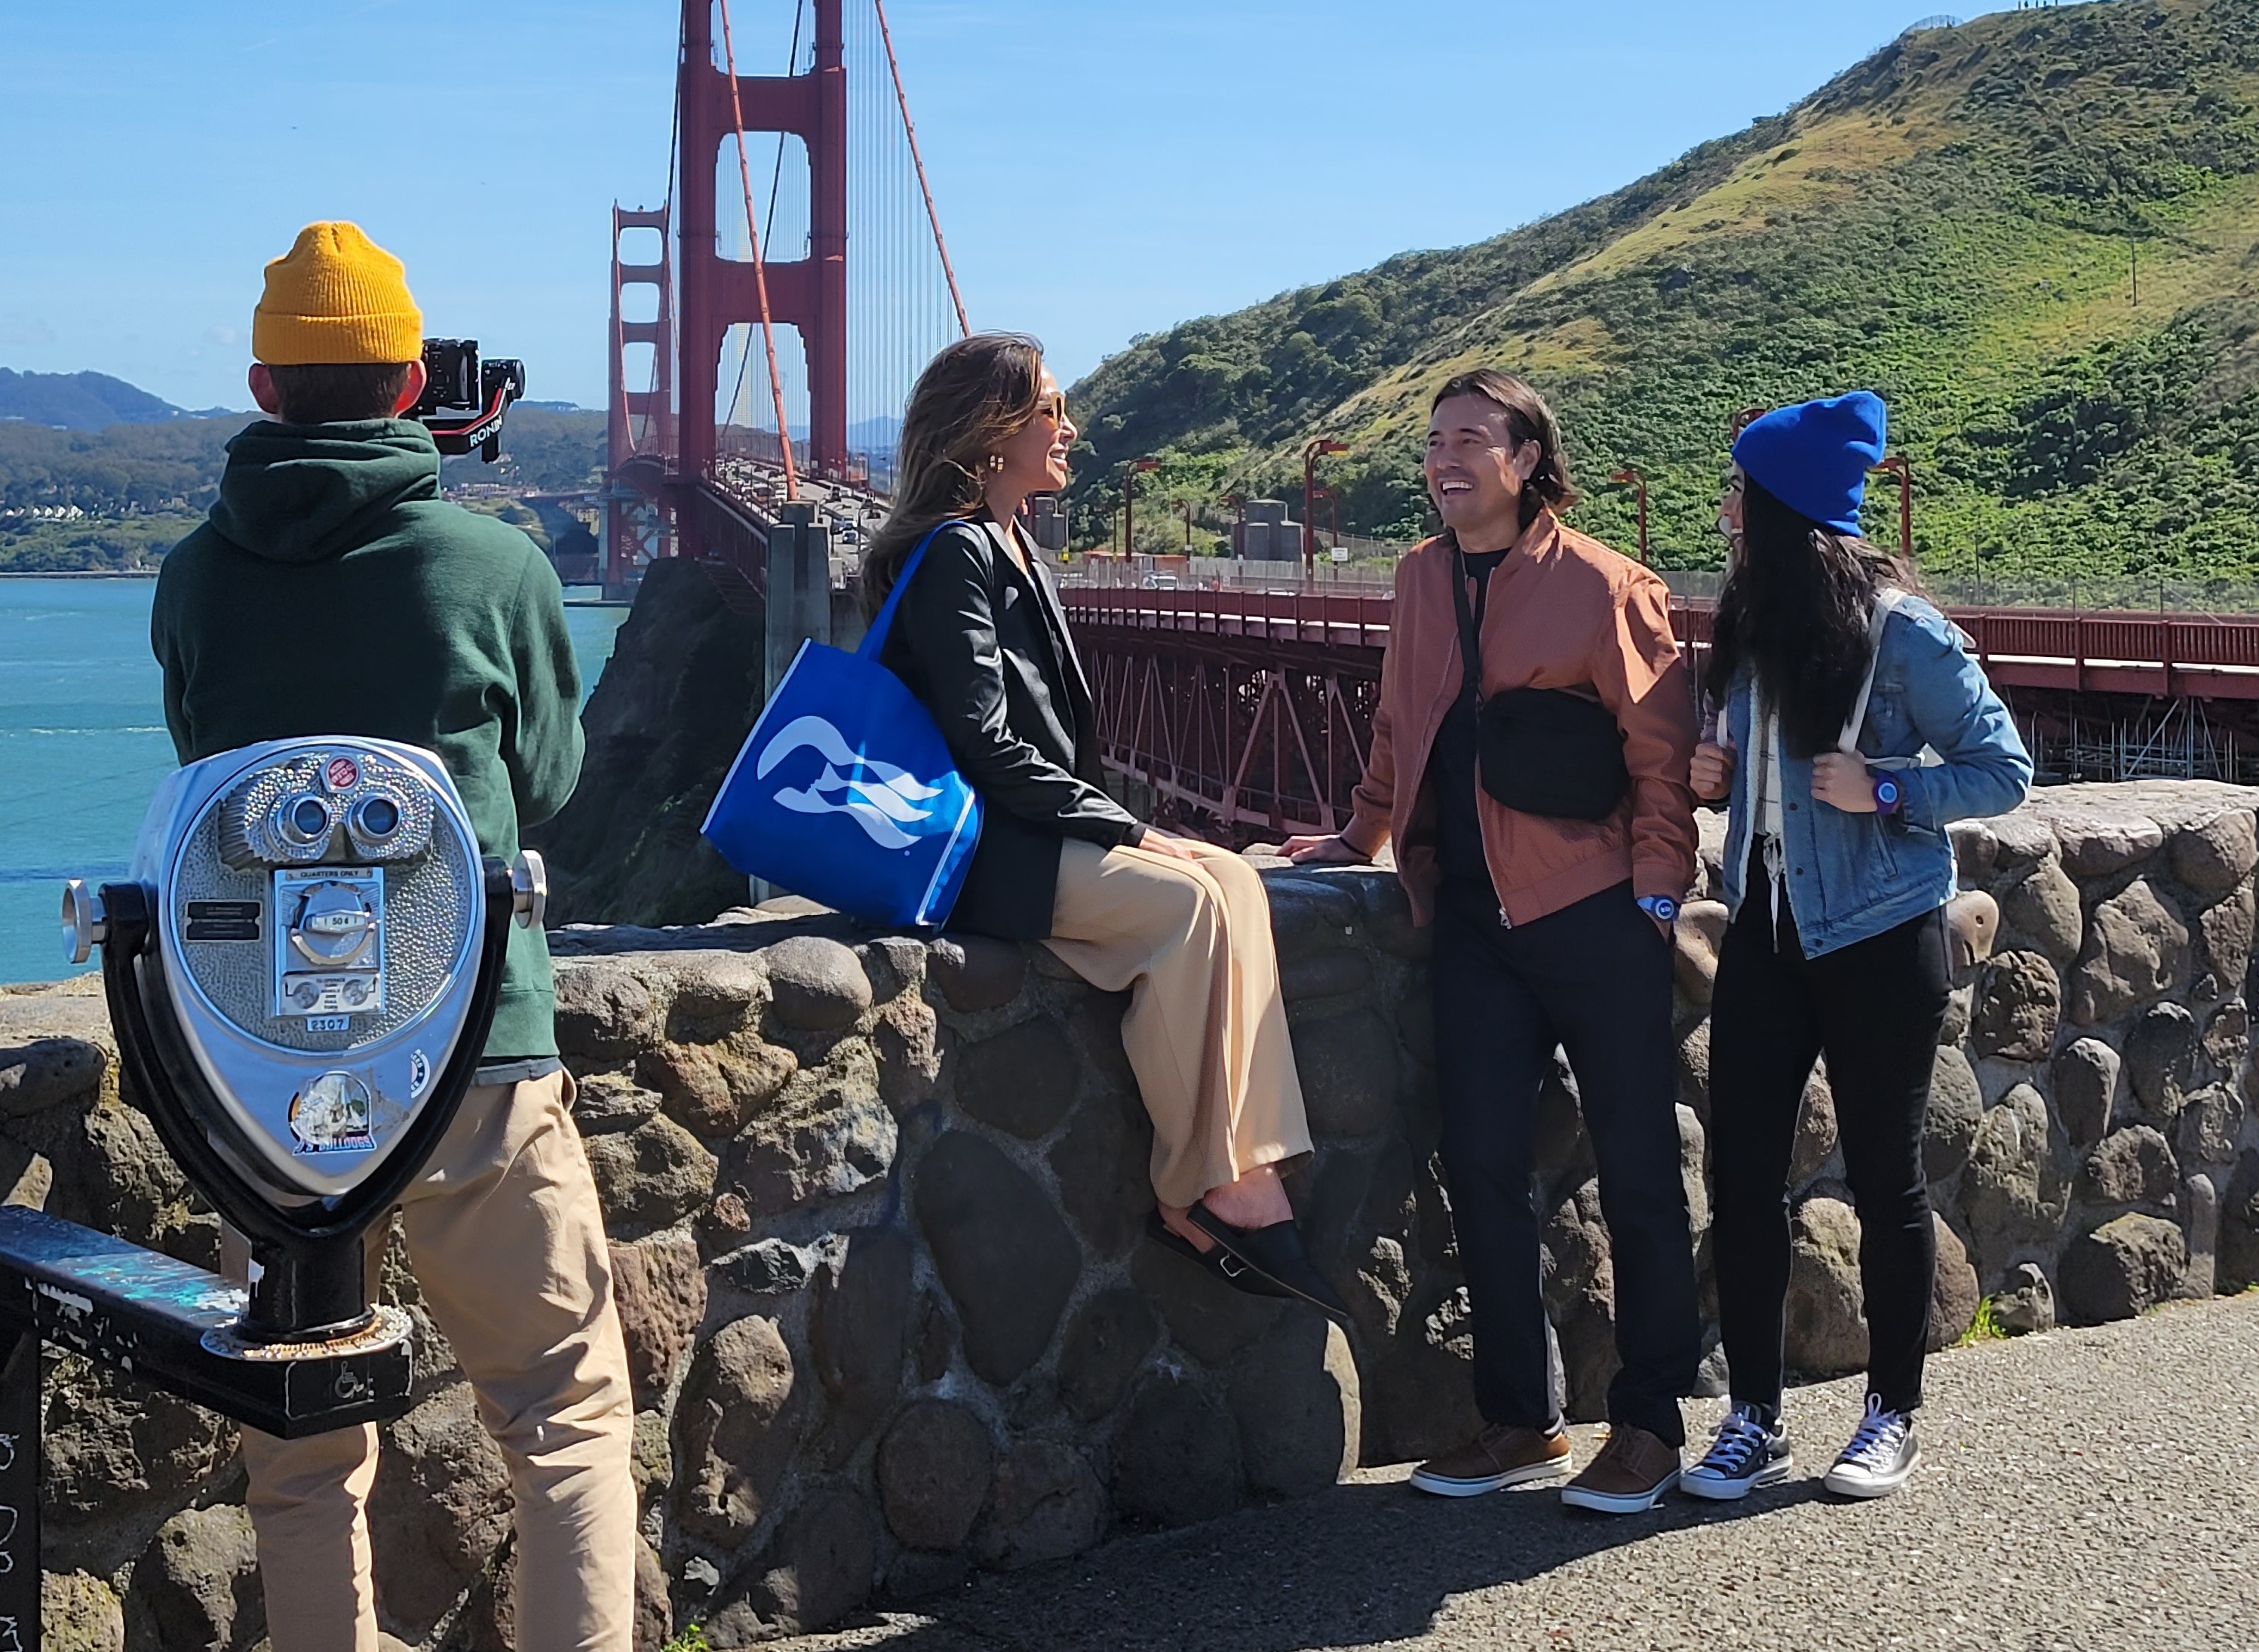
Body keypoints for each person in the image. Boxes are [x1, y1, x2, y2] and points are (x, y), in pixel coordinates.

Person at [150, 223, 689, 1652]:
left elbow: (208, 776)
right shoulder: (496, 564)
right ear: (410, 387)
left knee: (312, 1442)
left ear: (259, 387)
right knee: (566, 1409)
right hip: (474, 1059)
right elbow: (557, 780)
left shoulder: (190, 572)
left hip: (268, 1084)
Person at [1285, 371, 1702, 1513]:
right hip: (1469, 919)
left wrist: (1658, 891)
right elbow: (1399, 718)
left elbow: (1659, 751)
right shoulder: (1420, 579)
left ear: (1527, 458)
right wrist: (1365, 834)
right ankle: (1522, 1420)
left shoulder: (1610, 585)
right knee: (1478, 1165)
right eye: (1433, 443)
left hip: (1592, 908)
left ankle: (1653, 1426)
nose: (1443, 458)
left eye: (1470, 438)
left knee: (1636, 1172)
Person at [864, 333, 1346, 1317]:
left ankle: (1247, 1162)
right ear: (991, 432)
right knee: (1183, 907)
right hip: (975, 848)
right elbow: (987, 746)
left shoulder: (1009, 541)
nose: (1068, 426)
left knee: (1239, 882)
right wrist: (1128, 830)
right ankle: (1198, 1189)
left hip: (1030, 830)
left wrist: (1121, 829)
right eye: (1049, 408)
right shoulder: (953, 551)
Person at [1680, 392, 2030, 1508]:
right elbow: (1752, 765)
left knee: (1885, 1178)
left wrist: (1886, 787)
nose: (1726, 510)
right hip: (1766, 934)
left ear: (1783, 507)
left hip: (1880, 938)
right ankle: (1753, 1421)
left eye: (1741, 491)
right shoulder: (1752, 619)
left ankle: (1892, 1414)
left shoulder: (1900, 629)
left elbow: (2004, 771)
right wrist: (1718, 776)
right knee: (1740, 1175)